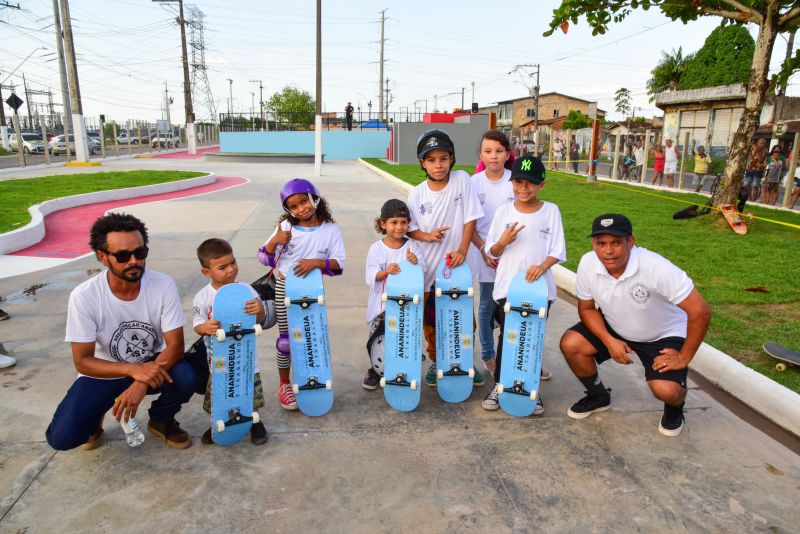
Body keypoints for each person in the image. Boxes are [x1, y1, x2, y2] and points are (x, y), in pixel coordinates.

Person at [45, 213, 195, 451]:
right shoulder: (84, 296)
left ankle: (161, 419)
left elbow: (175, 346)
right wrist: (135, 371)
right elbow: (82, 361)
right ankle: (94, 419)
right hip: (105, 370)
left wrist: (141, 383)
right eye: (123, 256)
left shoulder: (162, 284)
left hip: (152, 363)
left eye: (140, 252)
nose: (133, 261)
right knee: (62, 437)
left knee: (187, 376)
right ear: (103, 257)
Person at [559, 214, 711, 437]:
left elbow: (700, 310)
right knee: (571, 344)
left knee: (666, 390)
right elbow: (587, 308)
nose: (608, 251)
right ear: (594, 244)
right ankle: (598, 395)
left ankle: (675, 407)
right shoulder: (588, 262)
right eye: (601, 243)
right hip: (616, 324)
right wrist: (609, 341)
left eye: (616, 243)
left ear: (631, 242)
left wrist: (684, 356)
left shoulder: (655, 267)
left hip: (662, 333)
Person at [480, 155, 566, 414]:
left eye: (529, 183)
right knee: (508, 337)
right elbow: (492, 251)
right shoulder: (504, 212)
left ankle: (531, 390)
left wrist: (543, 266)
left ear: (542, 184)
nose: (523, 188)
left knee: (532, 340)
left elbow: (557, 250)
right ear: (511, 183)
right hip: (508, 288)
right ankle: (500, 386)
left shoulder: (550, 211)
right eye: (517, 182)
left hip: (539, 290)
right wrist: (503, 241)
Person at [406, 129, 485, 388]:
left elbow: (471, 217)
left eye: (443, 158)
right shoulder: (416, 193)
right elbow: (410, 228)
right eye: (431, 160)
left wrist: (463, 250)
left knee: (463, 318)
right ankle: (435, 360)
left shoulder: (462, 179)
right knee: (430, 322)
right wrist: (427, 236)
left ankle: (464, 361)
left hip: (457, 268)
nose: (438, 165)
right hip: (428, 269)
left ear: (451, 158)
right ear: (422, 163)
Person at [258, 179, 345, 410]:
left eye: (304, 201)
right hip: (284, 287)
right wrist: (275, 242)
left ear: (314, 197)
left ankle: (311, 378)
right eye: (293, 206)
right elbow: (263, 258)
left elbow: (339, 265)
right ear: (288, 210)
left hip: (313, 290)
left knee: (311, 337)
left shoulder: (330, 229)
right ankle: (284, 384)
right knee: (287, 342)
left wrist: (318, 262)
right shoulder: (286, 228)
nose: (301, 208)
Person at [193, 238, 274, 445]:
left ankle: (254, 421)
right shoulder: (203, 297)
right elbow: (197, 324)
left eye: (233, 262)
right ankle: (218, 424)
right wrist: (206, 328)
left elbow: (260, 318)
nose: (231, 269)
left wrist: (260, 310)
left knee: (248, 392)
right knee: (221, 394)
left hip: (246, 357)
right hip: (219, 360)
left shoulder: (246, 289)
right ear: (206, 272)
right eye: (222, 267)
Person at [363, 199, 424, 389]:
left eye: (403, 222)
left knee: (403, 338)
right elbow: (371, 276)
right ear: (383, 224)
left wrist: (414, 264)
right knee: (378, 340)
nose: (399, 227)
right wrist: (385, 272)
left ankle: (402, 367)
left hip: (406, 307)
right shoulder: (376, 248)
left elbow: (422, 273)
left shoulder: (412, 247)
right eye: (394, 222)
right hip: (382, 307)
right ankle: (375, 368)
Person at [468, 130, 515, 374]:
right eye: (488, 151)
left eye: (499, 151)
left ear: (508, 154)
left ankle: (517, 356)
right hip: (483, 254)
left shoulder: (515, 180)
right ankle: (489, 353)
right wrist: (485, 251)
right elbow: (470, 224)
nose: (494, 156)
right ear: (481, 155)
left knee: (514, 305)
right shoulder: (473, 183)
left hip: (512, 254)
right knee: (487, 304)